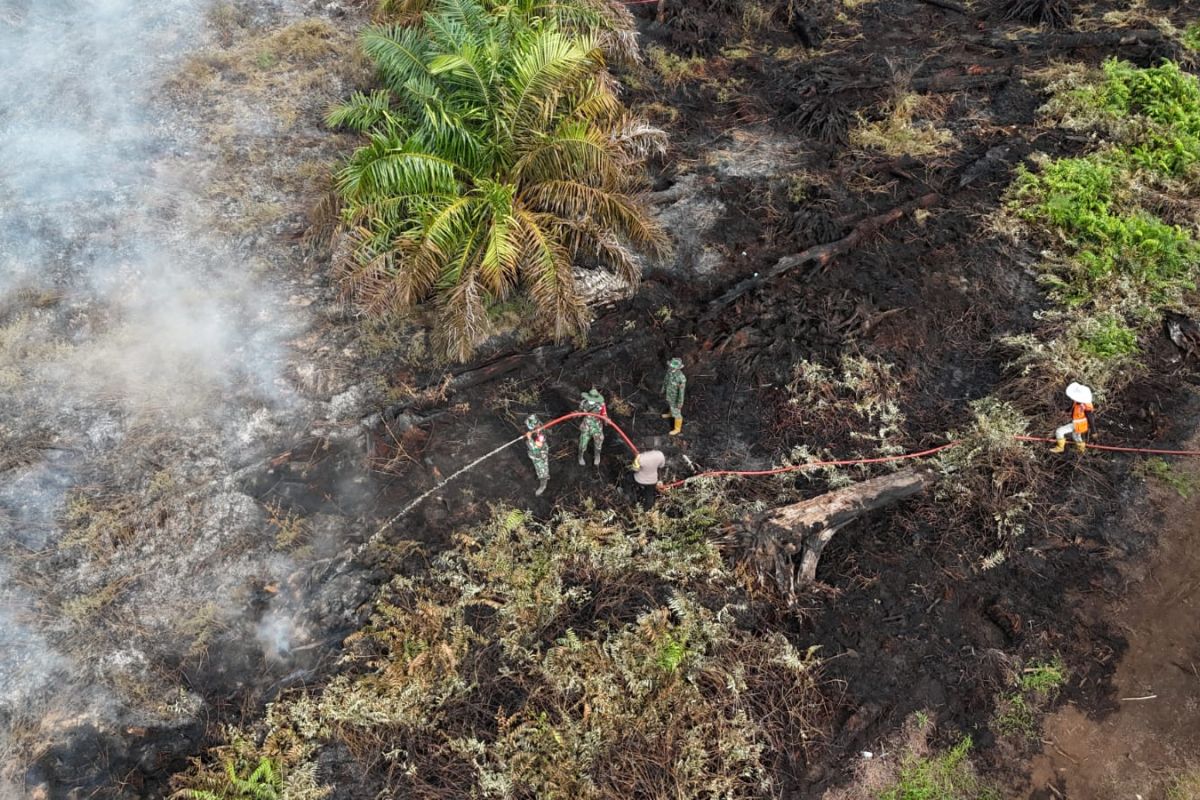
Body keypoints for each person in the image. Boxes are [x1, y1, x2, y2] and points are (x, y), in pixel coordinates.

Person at [1053, 382, 1095, 453]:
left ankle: (1060, 447)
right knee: (1076, 436)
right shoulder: (1077, 402)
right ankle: (1081, 451)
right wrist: (1065, 411)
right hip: (1079, 425)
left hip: (1078, 424)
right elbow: (1072, 408)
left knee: (1059, 431)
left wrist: (1094, 431)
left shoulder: (1085, 406)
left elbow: (1091, 418)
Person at [578, 389, 607, 466]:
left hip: (597, 427)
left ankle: (597, 456)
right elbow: (580, 412)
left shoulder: (601, 405)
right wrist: (578, 414)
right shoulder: (583, 403)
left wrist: (606, 420)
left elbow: (604, 415)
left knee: (598, 443)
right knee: (582, 443)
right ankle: (580, 457)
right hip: (586, 426)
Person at [524, 414, 550, 496]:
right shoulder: (535, 430)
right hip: (535, 454)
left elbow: (536, 447)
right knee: (537, 466)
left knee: (542, 469)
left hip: (540, 454)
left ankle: (543, 484)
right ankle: (542, 477)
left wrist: (529, 438)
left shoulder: (541, 434)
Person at [661, 357, 686, 436]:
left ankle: (677, 429)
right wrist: (663, 389)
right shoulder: (669, 372)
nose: (671, 367)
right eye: (671, 366)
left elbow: (681, 392)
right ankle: (670, 413)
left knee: (677, 413)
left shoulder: (681, 378)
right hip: (670, 394)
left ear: (678, 368)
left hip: (676, 397)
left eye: (673, 367)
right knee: (670, 405)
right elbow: (666, 380)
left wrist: (680, 402)